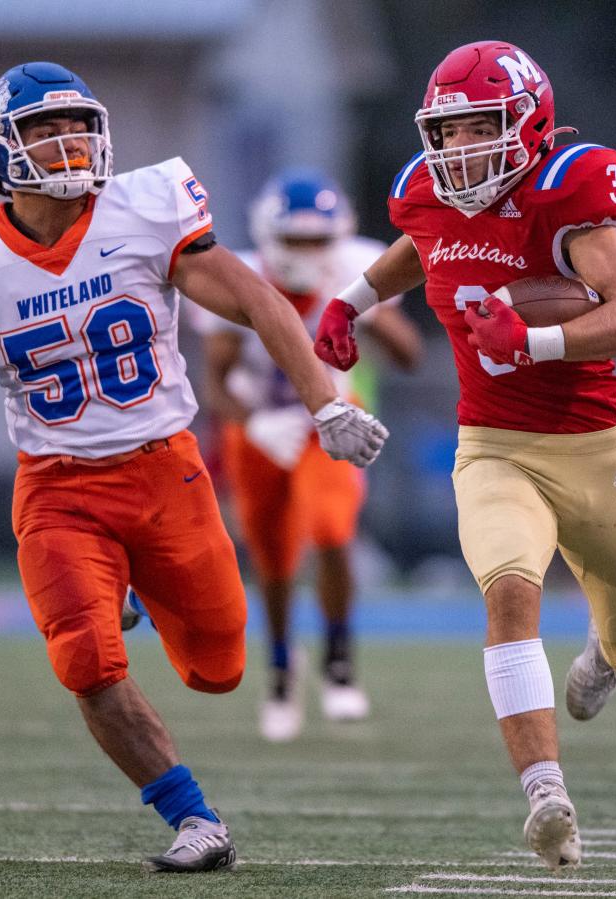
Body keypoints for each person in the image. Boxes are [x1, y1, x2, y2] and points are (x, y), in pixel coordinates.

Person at [0, 62, 388, 873]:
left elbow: (260, 300)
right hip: (56, 486)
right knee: (85, 662)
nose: (68, 141)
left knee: (220, 668)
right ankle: (193, 817)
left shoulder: (145, 209)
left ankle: (137, 591)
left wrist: (325, 405)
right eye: (44, 129)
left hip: (167, 472)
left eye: (77, 123)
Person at [314, 40, 616, 870]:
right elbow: (423, 246)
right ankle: (546, 791)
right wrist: (352, 299)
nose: (461, 150)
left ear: (527, 124)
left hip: (595, 445)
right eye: (450, 132)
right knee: (509, 590)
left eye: (480, 128)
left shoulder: (564, 195)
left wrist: (537, 339)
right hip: (495, 445)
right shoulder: (428, 192)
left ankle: (607, 651)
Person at [194, 169, 421, 742]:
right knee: (272, 562)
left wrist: (364, 306)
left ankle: (339, 664)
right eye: (295, 240)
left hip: (332, 426)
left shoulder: (353, 270)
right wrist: (256, 423)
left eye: (319, 241)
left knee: (333, 533)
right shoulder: (237, 278)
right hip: (259, 430)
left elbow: (410, 356)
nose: (308, 253)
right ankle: (279, 668)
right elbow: (215, 384)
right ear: (269, 236)